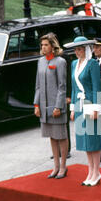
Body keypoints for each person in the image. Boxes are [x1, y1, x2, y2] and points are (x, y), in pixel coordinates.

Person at [64, 36, 101, 186]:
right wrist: (73, 108)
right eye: (76, 49)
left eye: (80, 49)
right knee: (85, 141)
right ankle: (90, 171)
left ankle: (97, 172)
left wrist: (95, 108)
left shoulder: (92, 64)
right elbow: (73, 88)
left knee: (93, 139)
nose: (77, 51)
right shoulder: (74, 64)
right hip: (79, 105)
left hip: (90, 104)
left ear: (86, 49)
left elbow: (96, 87)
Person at [34, 33, 69, 179]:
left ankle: (63, 166)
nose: (43, 47)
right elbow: (37, 86)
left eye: (46, 45)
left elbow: (62, 86)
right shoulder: (40, 61)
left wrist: (58, 107)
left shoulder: (60, 62)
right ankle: (55, 166)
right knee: (52, 137)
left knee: (61, 136)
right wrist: (36, 104)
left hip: (56, 106)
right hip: (44, 106)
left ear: (53, 46)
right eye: (42, 45)